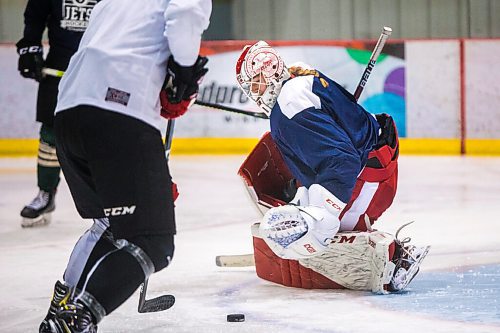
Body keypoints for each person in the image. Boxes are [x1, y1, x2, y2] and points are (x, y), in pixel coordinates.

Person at [38, 0, 211, 332]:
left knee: (108, 223)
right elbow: (186, 13)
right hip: (117, 110)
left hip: (69, 113)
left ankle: (64, 305)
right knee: (153, 242)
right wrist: (184, 71)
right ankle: (74, 321)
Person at [235, 41, 429, 293]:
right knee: (304, 209)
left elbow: (343, 160)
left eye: (255, 83)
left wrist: (323, 215)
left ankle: (397, 257)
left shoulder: (290, 105)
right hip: (375, 162)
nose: (254, 92)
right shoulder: (300, 82)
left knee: (313, 227)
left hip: (370, 178)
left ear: (269, 74)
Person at [16, 0, 101, 228]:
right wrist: (30, 48)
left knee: (104, 131)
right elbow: (35, 15)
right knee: (51, 134)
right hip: (60, 66)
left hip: (102, 66)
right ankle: (45, 193)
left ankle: (110, 198)